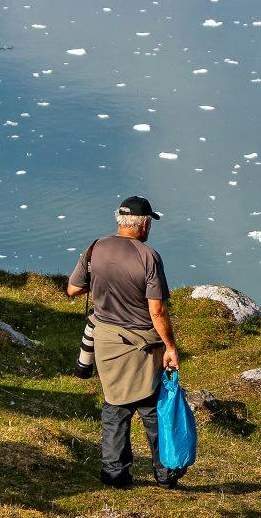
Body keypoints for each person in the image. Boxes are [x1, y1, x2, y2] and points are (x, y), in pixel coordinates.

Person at [68, 196, 185, 487]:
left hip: (106, 340)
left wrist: (103, 287)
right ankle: (165, 474)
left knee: (115, 406)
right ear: (144, 225)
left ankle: (114, 474)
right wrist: (170, 347)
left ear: (120, 221)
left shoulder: (95, 247)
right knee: (151, 407)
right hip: (143, 345)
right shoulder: (148, 256)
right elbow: (156, 310)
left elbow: (73, 289)